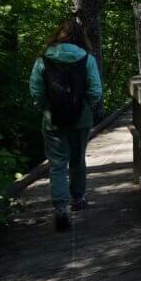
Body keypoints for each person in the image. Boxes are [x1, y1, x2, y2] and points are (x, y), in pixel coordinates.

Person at [29, 18, 103, 231]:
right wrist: (85, 106)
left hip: (53, 119)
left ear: (58, 35)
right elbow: (95, 90)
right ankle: (78, 198)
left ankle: (61, 208)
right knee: (77, 160)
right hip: (81, 119)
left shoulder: (43, 59)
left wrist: (46, 107)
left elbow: (36, 91)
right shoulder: (87, 59)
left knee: (57, 164)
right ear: (80, 37)